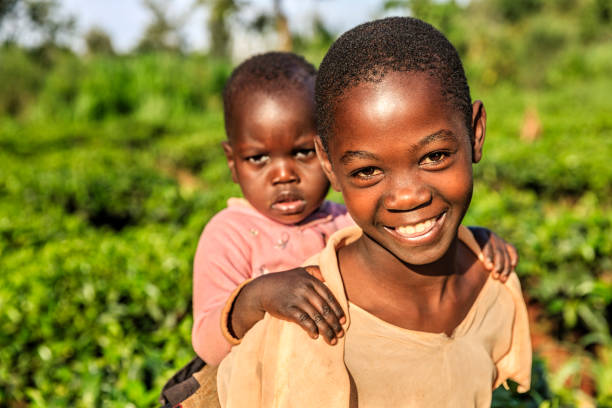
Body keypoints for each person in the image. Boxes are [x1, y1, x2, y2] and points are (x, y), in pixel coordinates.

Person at [215, 18, 531, 408]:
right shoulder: (309, 328)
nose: (406, 197)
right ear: (329, 166)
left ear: (475, 132)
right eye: (367, 171)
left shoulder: (494, 281)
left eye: (434, 157)